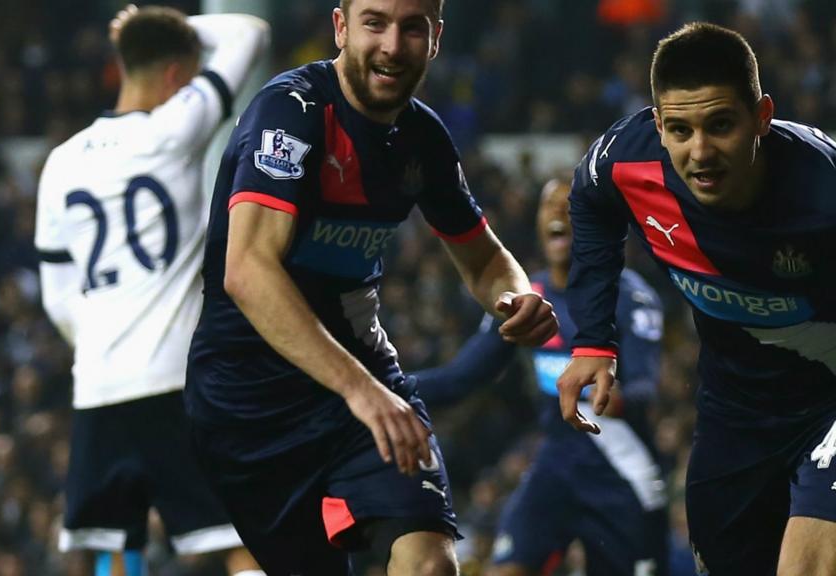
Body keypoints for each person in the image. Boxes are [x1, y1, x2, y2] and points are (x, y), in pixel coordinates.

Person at [183, 0, 558, 574]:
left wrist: (515, 297)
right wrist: (359, 390)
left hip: (365, 391)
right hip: (252, 401)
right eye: (375, 23)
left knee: (429, 564)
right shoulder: (291, 111)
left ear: (435, 38)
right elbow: (248, 271)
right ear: (341, 27)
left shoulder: (422, 138)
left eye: (412, 28)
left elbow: (484, 261)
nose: (392, 45)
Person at [558, 21, 836, 575]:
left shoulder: (823, 188)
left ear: (762, 116)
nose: (700, 152)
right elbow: (589, 204)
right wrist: (593, 340)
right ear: (658, 125)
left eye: (721, 125)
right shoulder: (622, 161)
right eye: (680, 130)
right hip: (738, 409)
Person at [33, 5, 268, 576]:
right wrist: (184, 37)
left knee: (116, 545)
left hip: (100, 384)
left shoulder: (59, 165)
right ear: (173, 76)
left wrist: (103, 340)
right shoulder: (175, 128)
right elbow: (251, 32)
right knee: (239, 535)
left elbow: (58, 299)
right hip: (177, 377)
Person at [411, 178, 669, 576]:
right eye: (548, 206)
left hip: (620, 473)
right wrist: (382, 387)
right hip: (556, 466)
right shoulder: (529, 300)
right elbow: (461, 378)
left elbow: (645, 389)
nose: (557, 213)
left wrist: (613, 397)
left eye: (568, 206)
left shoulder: (629, 296)